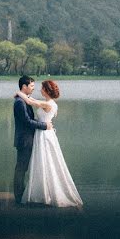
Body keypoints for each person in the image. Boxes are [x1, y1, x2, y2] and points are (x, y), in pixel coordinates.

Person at [15, 79, 83, 208]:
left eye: (42, 88)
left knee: (47, 161)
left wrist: (19, 93)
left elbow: (30, 101)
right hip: (45, 133)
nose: (39, 90)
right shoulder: (50, 103)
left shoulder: (48, 104)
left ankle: (47, 193)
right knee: (44, 161)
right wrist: (23, 95)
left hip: (44, 134)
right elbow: (33, 101)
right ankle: (43, 191)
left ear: (46, 90)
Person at [12, 75, 51, 203]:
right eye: (32, 86)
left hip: (28, 139)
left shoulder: (23, 99)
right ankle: (19, 197)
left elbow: (30, 115)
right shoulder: (19, 103)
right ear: (24, 86)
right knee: (21, 169)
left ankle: (23, 195)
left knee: (23, 168)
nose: (33, 89)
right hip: (24, 140)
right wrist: (44, 126)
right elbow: (27, 121)